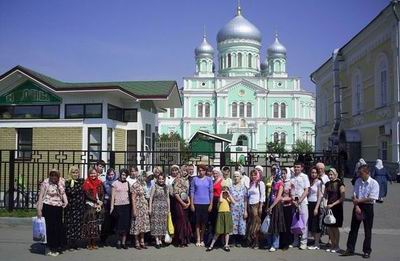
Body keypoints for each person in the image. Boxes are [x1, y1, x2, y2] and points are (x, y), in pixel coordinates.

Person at [342, 165, 379, 259]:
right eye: (359, 173)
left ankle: (367, 251)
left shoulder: (374, 183)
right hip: (358, 206)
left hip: (368, 207)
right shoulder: (358, 181)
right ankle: (350, 249)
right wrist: (357, 206)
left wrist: (359, 201)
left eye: (361, 173)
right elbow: (354, 195)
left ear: (367, 173)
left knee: (367, 230)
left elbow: (372, 198)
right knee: (353, 229)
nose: (359, 175)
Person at [37, 169, 68, 256]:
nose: (54, 177)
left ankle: (56, 247)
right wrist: (39, 209)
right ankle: (48, 247)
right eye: (52, 175)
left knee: (57, 228)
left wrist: (66, 201)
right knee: (48, 228)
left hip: (58, 207)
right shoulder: (46, 182)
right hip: (47, 206)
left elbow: (63, 193)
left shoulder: (61, 182)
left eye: (56, 175)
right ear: (50, 175)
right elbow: (41, 196)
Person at [206, 183, 235, 252]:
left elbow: (234, 202)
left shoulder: (228, 198)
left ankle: (226, 245)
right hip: (221, 214)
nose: (225, 192)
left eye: (226, 191)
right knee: (218, 231)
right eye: (224, 191)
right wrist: (221, 193)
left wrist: (228, 193)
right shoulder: (220, 198)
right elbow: (221, 200)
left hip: (227, 214)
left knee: (227, 231)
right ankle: (211, 245)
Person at [190, 164, 213, 247]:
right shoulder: (194, 179)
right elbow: (192, 191)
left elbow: (211, 192)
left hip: (206, 203)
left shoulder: (209, 179)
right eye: (199, 170)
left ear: (205, 171)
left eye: (202, 170)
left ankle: (202, 238)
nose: (201, 172)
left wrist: (211, 204)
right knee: (197, 222)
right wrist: (192, 203)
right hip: (197, 203)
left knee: (204, 223)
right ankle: (198, 239)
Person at [323, 168, 345, 253]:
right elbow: (325, 195)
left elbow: (342, 197)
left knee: (335, 227)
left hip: (337, 207)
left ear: (336, 175)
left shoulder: (340, 183)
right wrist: (325, 203)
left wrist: (333, 204)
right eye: (329, 174)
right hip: (329, 207)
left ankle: (337, 245)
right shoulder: (327, 184)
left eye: (332, 174)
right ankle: (332, 244)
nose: (330, 176)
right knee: (329, 227)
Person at [82, 168, 104, 250]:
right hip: (90, 204)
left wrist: (100, 201)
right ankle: (89, 242)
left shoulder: (99, 182)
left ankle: (94, 242)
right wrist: (96, 201)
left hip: (98, 204)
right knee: (90, 224)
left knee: (95, 225)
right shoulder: (86, 183)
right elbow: (87, 195)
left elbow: (102, 193)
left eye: (94, 173)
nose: (93, 175)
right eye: (91, 174)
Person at [290, 161, 310, 250]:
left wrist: (299, 201)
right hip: (294, 202)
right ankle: (295, 240)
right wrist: (293, 199)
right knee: (295, 221)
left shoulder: (304, 177)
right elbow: (291, 189)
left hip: (302, 202)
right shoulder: (292, 177)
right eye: (295, 167)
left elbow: (306, 190)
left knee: (304, 221)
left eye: (298, 167)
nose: (296, 168)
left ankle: (303, 242)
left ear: (302, 168)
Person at [64, 166, 84, 251]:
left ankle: (76, 243)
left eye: (77, 172)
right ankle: (70, 244)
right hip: (70, 208)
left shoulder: (81, 181)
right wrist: (78, 188)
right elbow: (70, 192)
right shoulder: (67, 182)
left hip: (79, 207)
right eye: (73, 172)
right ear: (70, 173)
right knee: (70, 225)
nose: (75, 174)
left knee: (78, 225)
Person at [110, 168, 131, 249]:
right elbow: (112, 196)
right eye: (122, 175)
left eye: (125, 175)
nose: (124, 176)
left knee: (125, 225)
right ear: (120, 175)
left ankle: (123, 242)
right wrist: (112, 207)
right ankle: (118, 241)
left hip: (126, 206)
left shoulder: (128, 183)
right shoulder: (115, 183)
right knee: (118, 225)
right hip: (118, 206)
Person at [266, 165, 286, 252]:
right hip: (270, 204)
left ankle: (275, 244)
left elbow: (278, 197)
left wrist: (271, 206)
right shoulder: (273, 181)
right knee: (270, 224)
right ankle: (270, 243)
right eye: (272, 170)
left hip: (276, 206)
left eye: (274, 170)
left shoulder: (280, 182)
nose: (273, 172)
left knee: (275, 225)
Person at [172, 167, 192, 247]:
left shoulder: (186, 180)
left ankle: (185, 240)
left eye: (186, 171)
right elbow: (176, 193)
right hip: (179, 203)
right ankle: (180, 240)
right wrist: (182, 203)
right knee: (181, 221)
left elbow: (187, 193)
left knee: (186, 220)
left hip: (186, 202)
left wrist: (189, 202)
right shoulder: (177, 180)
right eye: (183, 170)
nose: (184, 172)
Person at [149, 174, 170, 248]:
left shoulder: (166, 187)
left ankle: (160, 239)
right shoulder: (154, 186)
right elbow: (151, 197)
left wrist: (168, 209)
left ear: (164, 179)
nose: (161, 180)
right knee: (156, 224)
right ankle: (157, 240)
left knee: (162, 224)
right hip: (156, 207)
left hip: (164, 207)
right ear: (157, 179)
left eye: (162, 179)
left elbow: (168, 198)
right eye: (159, 179)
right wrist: (150, 208)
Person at [130, 174, 150, 249]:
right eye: (144, 177)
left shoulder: (143, 184)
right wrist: (134, 209)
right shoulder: (135, 185)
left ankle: (142, 241)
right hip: (138, 206)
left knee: (143, 225)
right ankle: (136, 242)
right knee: (137, 224)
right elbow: (133, 198)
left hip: (143, 206)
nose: (145, 178)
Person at [246, 169, 266, 249]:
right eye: (252, 175)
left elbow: (263, 195)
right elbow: (248, 195)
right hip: (250, 205)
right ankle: (253, 241)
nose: (253, 176)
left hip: (256, 205)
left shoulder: (260, 183)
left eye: (255, 175)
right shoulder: (251, 184)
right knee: (251, 224)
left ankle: (257, 243)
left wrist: (261, 206)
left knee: (256, 224)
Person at [230, 171, 248, 247]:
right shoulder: (231, 187)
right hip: (233, 208)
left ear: (240, 177)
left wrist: (246, 211)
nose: (236, 178)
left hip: (241, 208)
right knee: (233, 224)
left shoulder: (244, 188)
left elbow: (245, 200)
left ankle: (239, 241)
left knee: (241, 224)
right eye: (234, 176)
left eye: (237, 176)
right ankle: (233, 241)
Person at [100, 168, 118, 246]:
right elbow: (103, 193)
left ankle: (114, 239)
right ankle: (103, 239)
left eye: (112, 175)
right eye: (109, 174)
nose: (110, 176)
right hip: (107, 203)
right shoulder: (105, 183)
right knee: (106, 222)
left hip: (115, 203)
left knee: (115, 222)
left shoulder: (117, 182)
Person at [307, 167, 323, 250]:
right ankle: (314, 241)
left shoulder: (319, 182)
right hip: (309, 203)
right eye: (312, 172)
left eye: (315, 173)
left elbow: (319, 195)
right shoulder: (310, 181)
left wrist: (316, 208)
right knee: (311, 224)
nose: (313, 174)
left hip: (315, 204)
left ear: (317, 174)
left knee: (316, 224)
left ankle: (317, 243)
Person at [280, 167, 293, 250]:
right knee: (281, 225)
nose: (283, 175)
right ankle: (281, 242)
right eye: (282, 173)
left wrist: (284, 199)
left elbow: (292, 197)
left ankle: (286, 243)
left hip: (288, 206)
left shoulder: (290, 183)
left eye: (285, 173)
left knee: (287, 225)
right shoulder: (280, 182)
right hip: (280, 207)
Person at [209, 167, 223, 240]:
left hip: (219, 200)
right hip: (212, 200)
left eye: (216, 173)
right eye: (213, 173)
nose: (215, 174)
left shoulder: (222, 181)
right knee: (213, 219)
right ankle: (213, 236)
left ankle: (219, 238)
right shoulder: (212, 181)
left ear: (219, 173)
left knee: (219, 219)